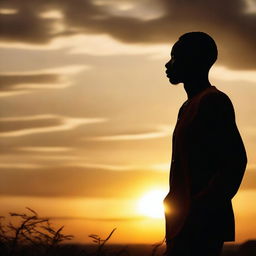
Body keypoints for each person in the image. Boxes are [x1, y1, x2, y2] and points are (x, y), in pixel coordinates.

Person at [163, 32, 247, 256]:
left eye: (175, 57)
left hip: (199, 225)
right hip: (183, 222)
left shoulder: (212, 101)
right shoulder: (189, 106)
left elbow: (235, 161)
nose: (168, 63)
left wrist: (201, 205)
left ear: (193, 60)